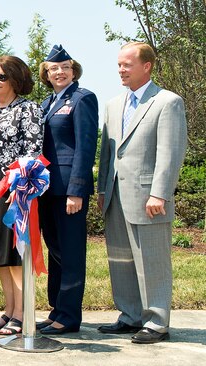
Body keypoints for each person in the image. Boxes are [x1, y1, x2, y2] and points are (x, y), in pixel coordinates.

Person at [96, 42, 187, 344]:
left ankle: (157, 322)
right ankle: (130, 316)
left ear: (146, 66)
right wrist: (101, 189)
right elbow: (108, 152)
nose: (120, 69)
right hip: (116, 196)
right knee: (121, 259)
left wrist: (159, 193)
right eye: (119, 64)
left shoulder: (167, 102)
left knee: (152, 260)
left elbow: (170, 152)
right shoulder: (112, 104)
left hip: (149, 198)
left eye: (126, 64)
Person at [0, 55, 43, 336]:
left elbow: (33, 152)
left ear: (16, 80)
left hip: (15, 196)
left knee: (17, 257)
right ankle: (8, 310)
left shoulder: (28, 110)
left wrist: (18, 188)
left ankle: (22, 313)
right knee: (0, 256)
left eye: (1, 77)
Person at [35, 45, 98, 335]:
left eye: (65, 68)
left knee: (71, 253)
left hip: (68, 191)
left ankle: (70, 316)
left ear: (74, 71)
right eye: (53, 69)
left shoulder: (82, 99)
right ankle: (56, 309)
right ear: (46, 74)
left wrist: (77, 190)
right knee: (55, 251)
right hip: (48, 189)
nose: (59, 72)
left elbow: (85, 148)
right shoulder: (47, 103)